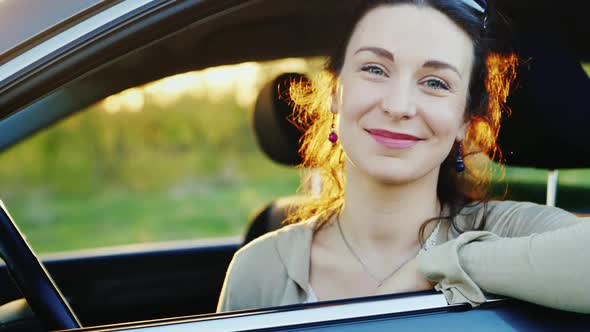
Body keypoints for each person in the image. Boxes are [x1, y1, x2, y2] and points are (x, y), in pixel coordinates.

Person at [217, 0, 590, 314]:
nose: (399, 106)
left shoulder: (507, 232)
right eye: (375, 69)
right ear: (335, 90)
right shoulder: (259, 268)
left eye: (435, 82)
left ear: (464, 119)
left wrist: (439, 266)